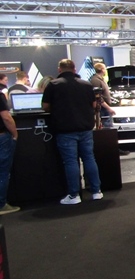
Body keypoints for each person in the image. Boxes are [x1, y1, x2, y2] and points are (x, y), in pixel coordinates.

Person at [41, 59, 102, 205]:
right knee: (89, 158)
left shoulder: (53, 85)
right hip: (85, 128)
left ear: (59, 69)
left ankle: (74, 194)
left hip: (65, 129)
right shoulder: (86, 84)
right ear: (74, 69)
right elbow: (94, 104)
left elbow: (45, 106)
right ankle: (96, 191)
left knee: (70, 161)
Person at [0, 88, 19, 215]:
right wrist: (15, 134)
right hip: (1, 137)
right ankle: (1, 205)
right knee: (3, 172)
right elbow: (6, 117)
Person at [90, 63, 117, 129]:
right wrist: (108, 108)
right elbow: (98, 97)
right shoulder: (95, 81)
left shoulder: (101, 80)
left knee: (108, 127)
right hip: (102, 109)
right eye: (105, 69)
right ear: (102, 69)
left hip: (105, 108)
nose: (105, 70)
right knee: (106, 128)